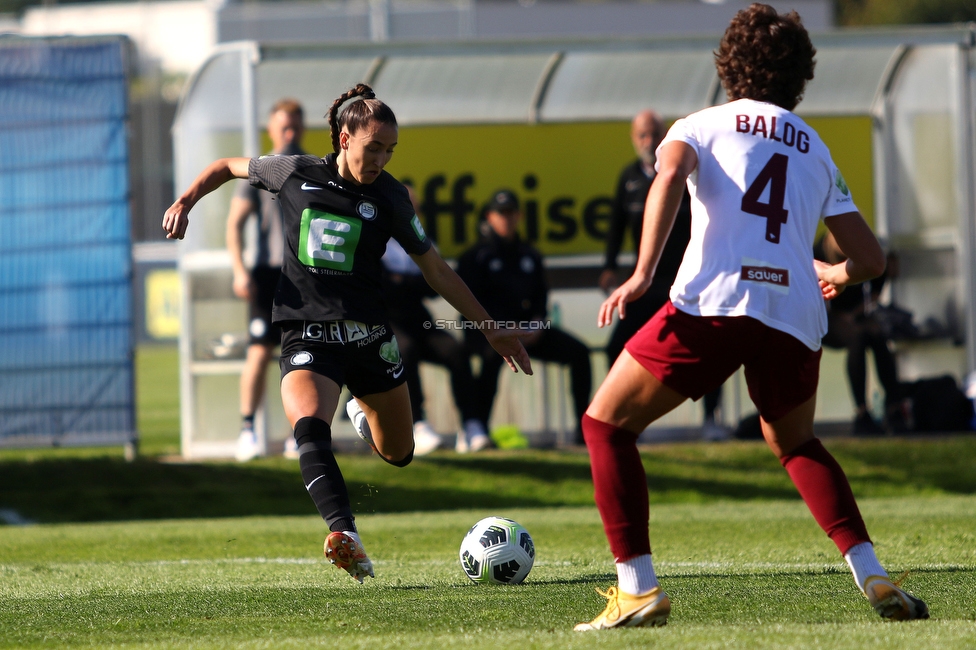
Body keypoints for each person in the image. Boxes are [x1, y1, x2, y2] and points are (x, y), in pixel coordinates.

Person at [575, 4, 928, 631]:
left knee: (606, 425)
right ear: (799, 76)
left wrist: (641, 274)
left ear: (728, 64)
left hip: (714, 304)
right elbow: (869, 259)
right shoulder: (815, 146)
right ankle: (870, 570)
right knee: (795, 443)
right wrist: (837, 275)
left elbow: (667, 180)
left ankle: (637, 589)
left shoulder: (699, 124)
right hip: (792, 314)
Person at [162, 83, 531, 584]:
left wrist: (490, 329)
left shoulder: (392, 197)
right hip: (306, 334)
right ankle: (345, 534)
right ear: (343, 139)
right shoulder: (293, 172)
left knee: (399, 454)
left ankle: (361, 410)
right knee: (309, 426)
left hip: (368, 338)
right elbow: (228, 166)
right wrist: (186, 199)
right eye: (372, 147)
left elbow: (437, 271)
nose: (380, 158)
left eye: (389, 150)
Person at [600, 109, 727, 440]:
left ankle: (711, 418)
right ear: (633, 139)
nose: (649, 141)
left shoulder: (685, 169)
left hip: (687, 280)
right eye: (642, 135)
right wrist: (610, 267)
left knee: (710, 349)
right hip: (646, 283)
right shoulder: (628, 177)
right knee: (617, 345)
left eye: (654, 134)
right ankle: (623, 416)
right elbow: (615, 225)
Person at [457, 190, 592, 447]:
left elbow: (541, 299)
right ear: (489, 217)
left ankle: (584, 430)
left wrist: (536, 325)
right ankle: (478, 432)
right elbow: (469, 303)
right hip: (488, 332)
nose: (506, 219)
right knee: (490, 358)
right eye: (500, 213)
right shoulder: (475, 256)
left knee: (580, 353)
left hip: (527, 331)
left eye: (511, 213)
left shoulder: (530, 254)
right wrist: (501, 329)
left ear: (518, 216)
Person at [226, 98, 307, 462]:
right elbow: (234, 223)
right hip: (267, 273)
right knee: (260, 351)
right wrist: (240, 270)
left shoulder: (312, 166)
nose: (289, 132)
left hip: (303, 274)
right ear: (272, 129)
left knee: (304, 356)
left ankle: (301, 434)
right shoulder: (259, 170)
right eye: (283, 126)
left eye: (294, 125)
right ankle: (248, 429)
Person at [381, 184, 485, 455]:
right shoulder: (375, 240)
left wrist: (402, 281)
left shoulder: (423, 241)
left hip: (419, 319)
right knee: (404, 351)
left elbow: (434, 287)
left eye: (414, 205)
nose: (409, 210)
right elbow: (382, 286)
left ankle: (471, 426)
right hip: (386, 321)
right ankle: (418, 424)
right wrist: (412, 281)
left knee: (455, 351)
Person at [815, 232, 906, 434]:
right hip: (828, 318)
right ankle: (862, 412)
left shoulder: (864, 251)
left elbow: (878, 273)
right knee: (858, 337)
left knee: (876, 335)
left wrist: (860, 310)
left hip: (856, 316)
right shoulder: (820, 252)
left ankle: (894, 406)